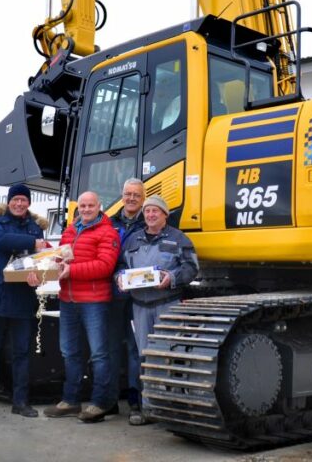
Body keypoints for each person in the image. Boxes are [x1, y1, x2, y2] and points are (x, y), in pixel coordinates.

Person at [30, 191, 119, 423]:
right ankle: (71, 400)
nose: (86, 209)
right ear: (77, 208)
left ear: (99, 206)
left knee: (99, 354)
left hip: (94, 301)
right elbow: (61, 259)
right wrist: (47, 253)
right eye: (82, 206)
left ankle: (100, 403)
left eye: (91, 205)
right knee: (70, 352)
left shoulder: (108, 233)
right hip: (68, 300)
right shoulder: (70, 231)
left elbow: (105, 266)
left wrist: (72, 271)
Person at [116, 195, 199, 420]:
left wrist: (172, 277)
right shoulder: (133, 240)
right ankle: (147, 409)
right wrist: (120, 279)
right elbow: (121, 266)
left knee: (170, 353)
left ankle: (172, 408)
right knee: (145, 357)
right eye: (147, 211)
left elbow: (192, 268)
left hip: (167, 305)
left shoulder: (178, 239)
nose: (151, 215)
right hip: (140, 307)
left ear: (165, 215)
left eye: (155, 211)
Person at [0, 183, 47, 419]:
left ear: (28, 203)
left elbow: (37, 260)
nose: (19, 203)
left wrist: (37, 275)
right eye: (15, 199)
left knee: (22, 353)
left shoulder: (35, 228)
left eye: (23, 200)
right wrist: (31, 243)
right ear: (9, 201)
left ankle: (20, 402)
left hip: (23, 299)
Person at [107, 178, 146, 424]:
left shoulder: (149, 222)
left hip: (138, 297)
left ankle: (136, 402)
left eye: (136, 195)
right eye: (127, 194)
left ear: (143, 198)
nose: (131, 198)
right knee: (109, 348)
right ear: (122, 196)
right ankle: (109, 401)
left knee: (134, 349)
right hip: (112, 293)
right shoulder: (110, 223)